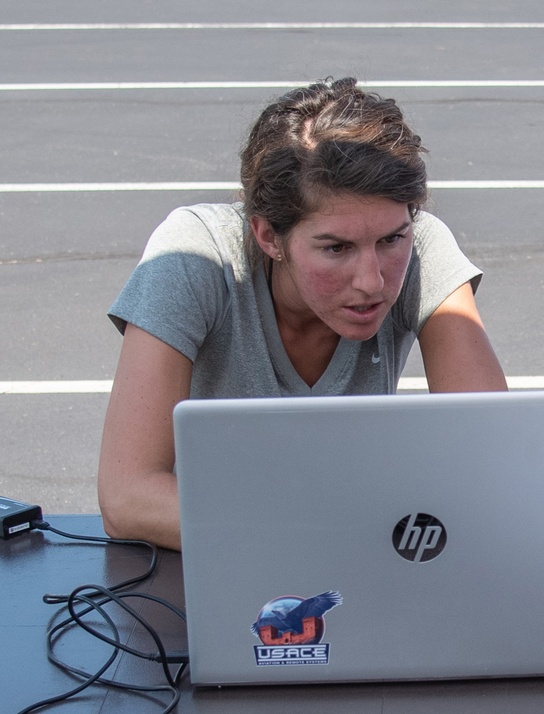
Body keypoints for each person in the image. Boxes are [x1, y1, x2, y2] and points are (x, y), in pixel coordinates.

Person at [99, 77, 507, 551]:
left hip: (326, 549)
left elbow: (491, 460)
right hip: (231, 564)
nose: (372, 281)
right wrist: (332, 533)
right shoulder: (195, 256)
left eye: (392, 239)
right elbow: (126, 496)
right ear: (269, 236)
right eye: (337, 248)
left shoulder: (424, 245)